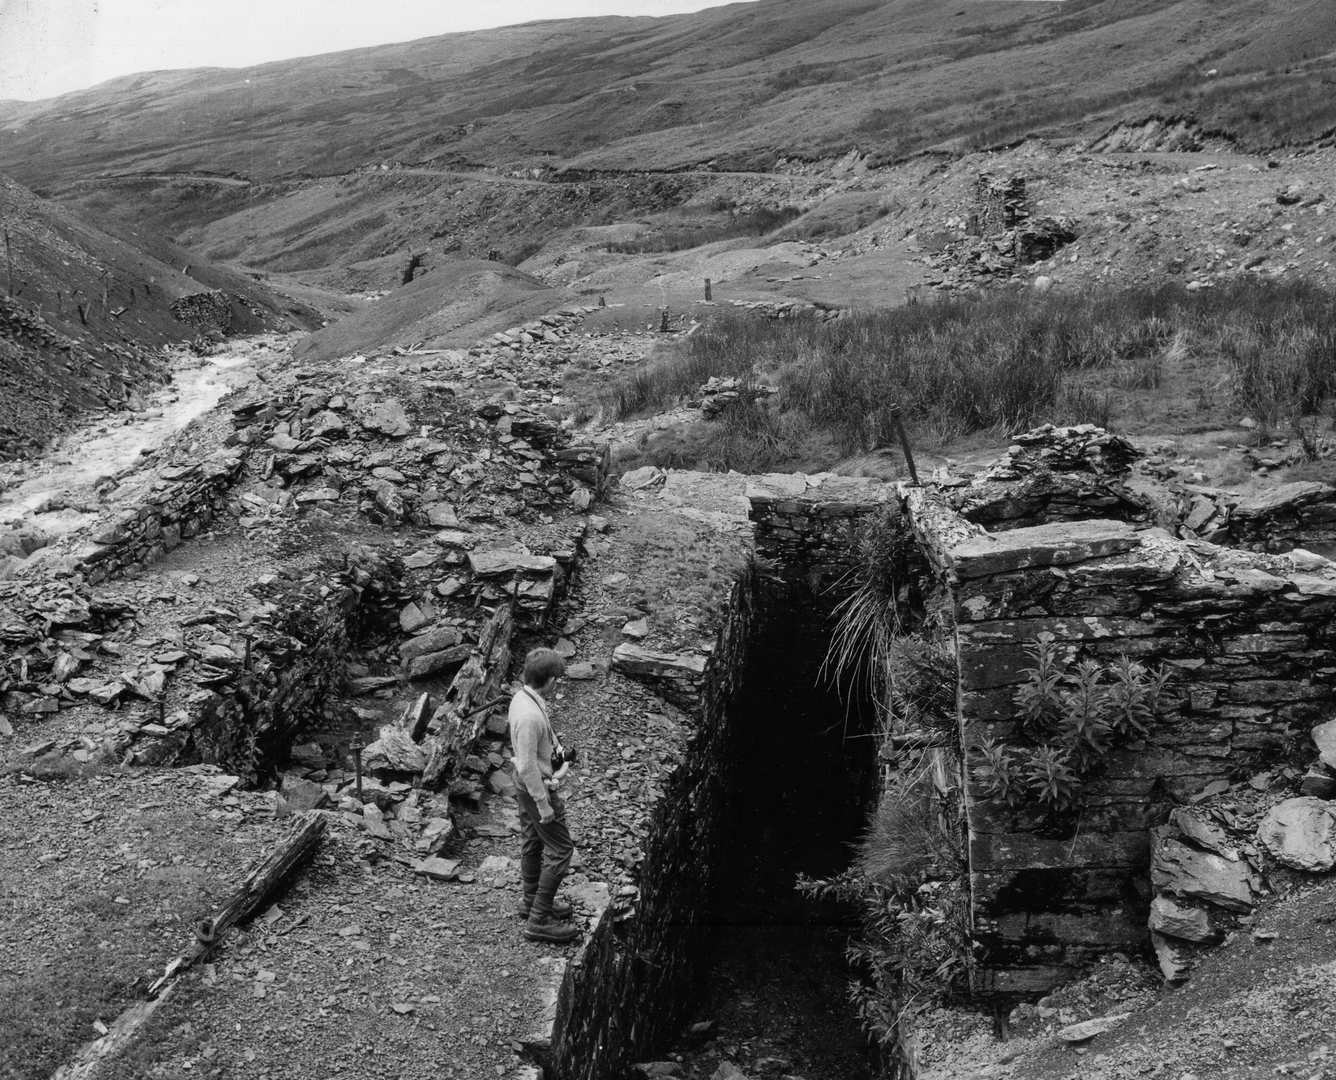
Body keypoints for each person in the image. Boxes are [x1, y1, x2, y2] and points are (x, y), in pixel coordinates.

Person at [509, 647, 580, 943]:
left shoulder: (522, 697)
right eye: (557, 680)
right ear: (550, 681)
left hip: (528, 784)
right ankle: (539, 920)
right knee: (561, 850)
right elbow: (526, 765)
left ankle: (531, 900)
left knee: (533, 839)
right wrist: (543, 803)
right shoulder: (529, 717)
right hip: (535, 787)